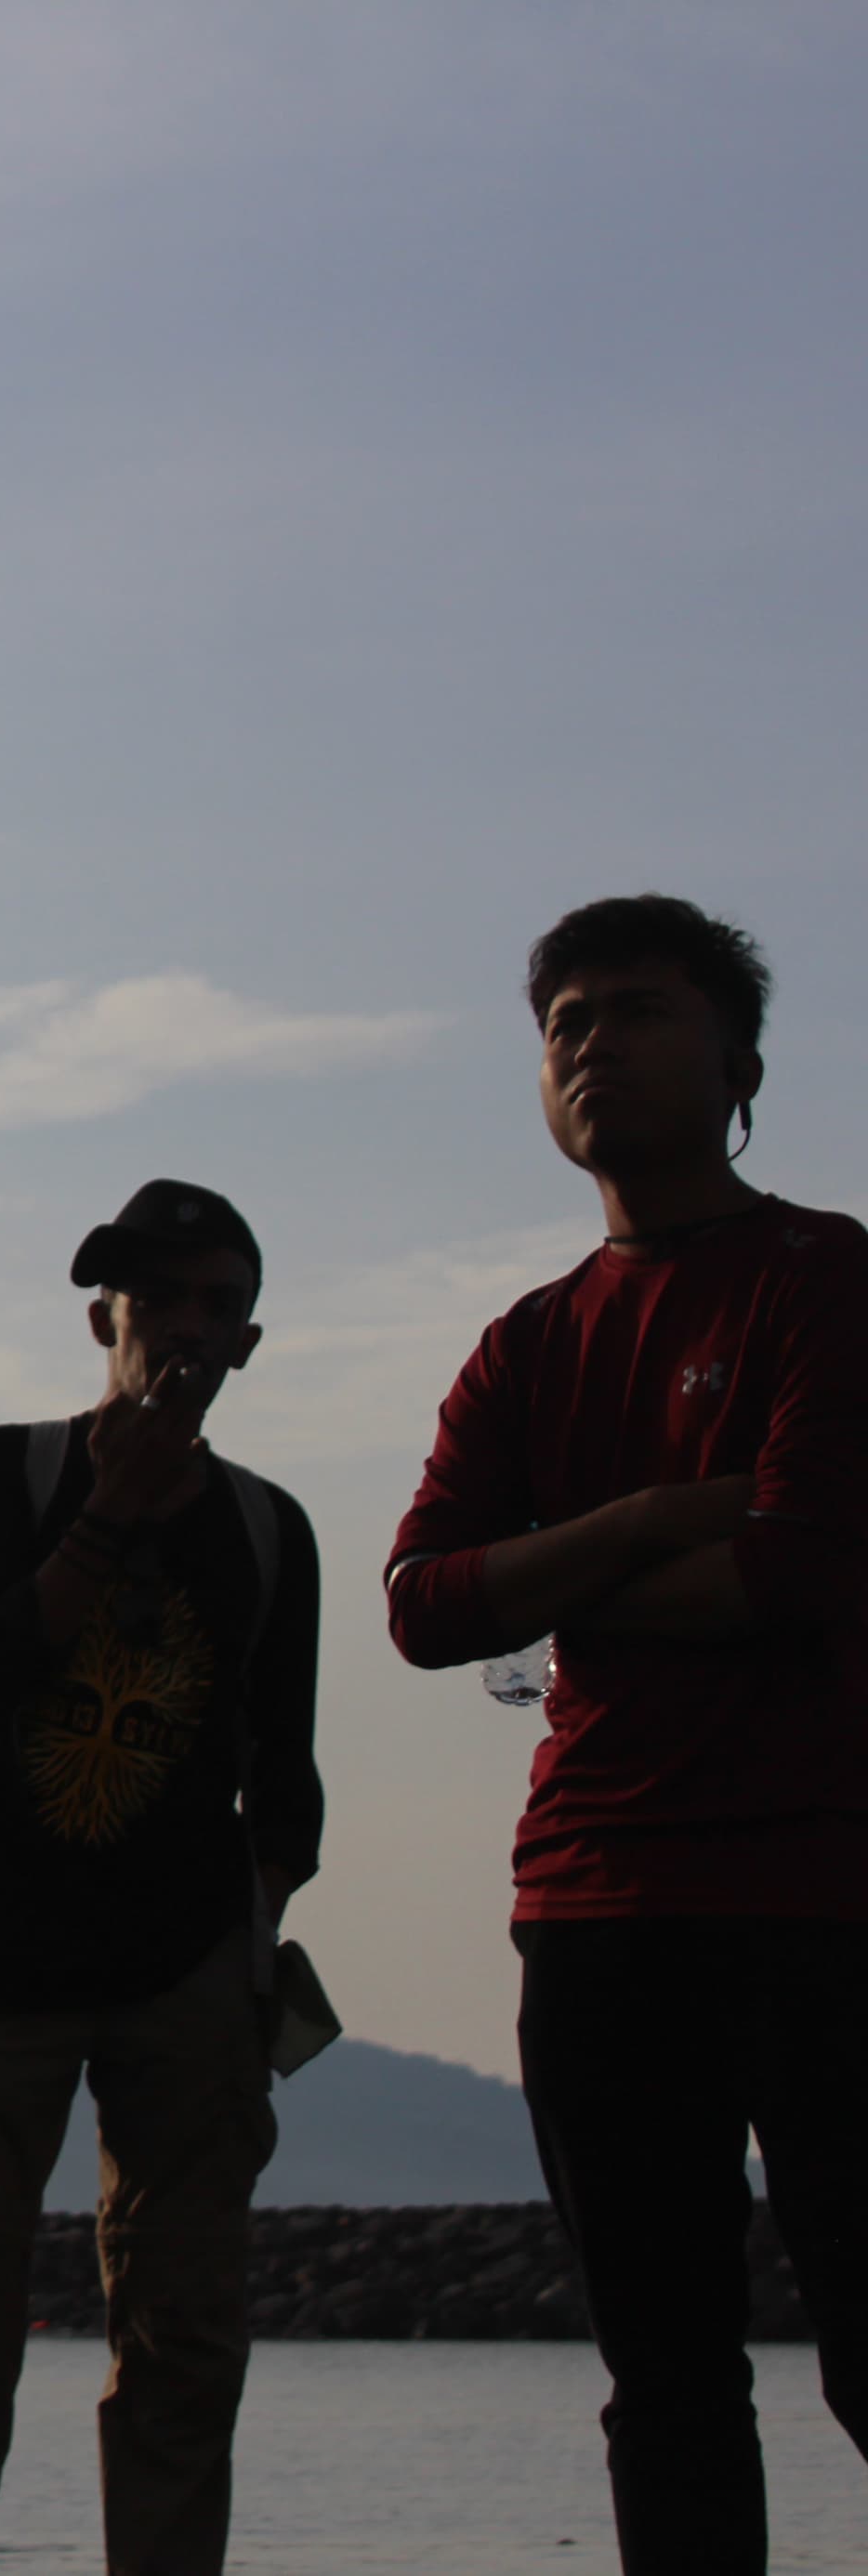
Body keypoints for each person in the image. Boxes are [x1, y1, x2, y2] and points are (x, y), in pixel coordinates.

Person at [384, 895, 868, 2573]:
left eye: (640, 1010)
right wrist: (653, 1519)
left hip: (823, 1893)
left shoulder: (828, 1277)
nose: (593, 1043)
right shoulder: (527, 1340)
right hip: (593, 1907)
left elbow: (802, 1568)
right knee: (662, 2378)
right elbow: (426, 1603)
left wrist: (554, 1574)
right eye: (565, 1020)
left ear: (739, 1062)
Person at [0, 1179, 323, 2576]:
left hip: (184, 1979)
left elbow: (284, 1774)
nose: (185, 1323)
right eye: (160, 1293)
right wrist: (110, 1512)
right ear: (102, 1309)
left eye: (217, 1303)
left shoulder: (269, 1529)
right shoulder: (15, 1471)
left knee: (185, 2346)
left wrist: (255, 1945)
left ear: (245, 1338)